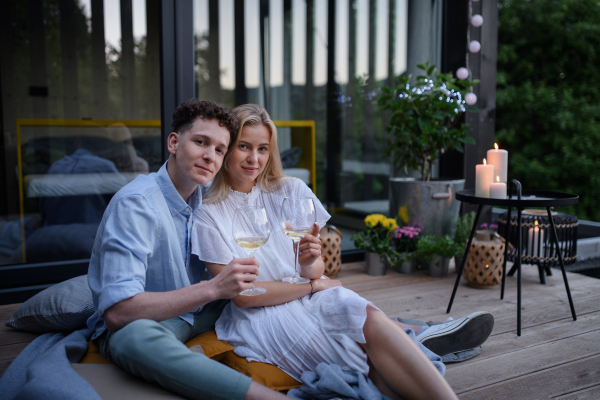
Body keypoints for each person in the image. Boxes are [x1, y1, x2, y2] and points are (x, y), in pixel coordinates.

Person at [192, 104, 490, 400]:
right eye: (244, 146)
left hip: (311, 296)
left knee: (362, 313)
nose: (254, 159)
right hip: (263, 317)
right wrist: (311, 284)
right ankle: (415, 338)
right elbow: (244, 297)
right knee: (362, 362)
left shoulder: (291, 191)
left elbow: (316, 270)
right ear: (227, 147)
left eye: (263, 148)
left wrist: (310, 265)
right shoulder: (208, 214)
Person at [87, 100, 289, 400]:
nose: (210, 156)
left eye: (220, 150)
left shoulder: (207, 200)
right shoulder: (137, 204)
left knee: (272, 300)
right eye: (200, 142)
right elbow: (117, 313)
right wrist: (213, 289)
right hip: (153, 321)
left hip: (198, 312)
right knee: (131, 339)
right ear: (173, 142)